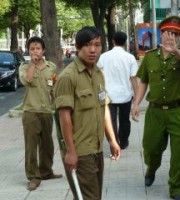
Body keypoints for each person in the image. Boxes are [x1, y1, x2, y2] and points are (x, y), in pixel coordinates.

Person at [54, 26, 121, 200]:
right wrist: (70, 151)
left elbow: (103, 107)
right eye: (88, 45)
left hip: (97, 148)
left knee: (91, 196)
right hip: (80, 151)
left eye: (97, 45)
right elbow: (64, 116)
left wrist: (112, 140)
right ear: (77, 47)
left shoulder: (99, 73)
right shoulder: (68, 77)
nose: (93, 49)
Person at [131, 16, 180, 200]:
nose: (170, 36)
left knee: (179, 153)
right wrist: (136, 103)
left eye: (174, 33)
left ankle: (175, 189)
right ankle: (152, 168)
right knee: (151, 148)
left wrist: (175, 51)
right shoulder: (150, 57)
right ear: (161, 34)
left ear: (178, 36)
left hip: (178, 112)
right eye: (167, 33)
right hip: (155, 112)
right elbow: (144, 82)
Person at [19, 36, 62, 191]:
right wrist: (33, 64)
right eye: (32, 49)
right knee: (31, 146)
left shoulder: (51, 67)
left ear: (43, 50)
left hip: (46, 111)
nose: (35, 51)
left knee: (47, 145)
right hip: (31, 111)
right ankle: (33, 176)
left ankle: (45, 171)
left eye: (38, 48)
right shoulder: (24, 67)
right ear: (29, 51)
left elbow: (54, 88)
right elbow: (28, 81)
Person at [97, 31, 138, 149]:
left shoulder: (104, 57)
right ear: (125, 42)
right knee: (125, 120)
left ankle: (113, 144)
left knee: (111, 121)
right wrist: (136, 96)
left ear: (113, 41)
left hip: (108, 96)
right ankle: (123, 141)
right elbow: (133, 78)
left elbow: (98, 76)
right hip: (126, 95)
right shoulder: (130, 58)